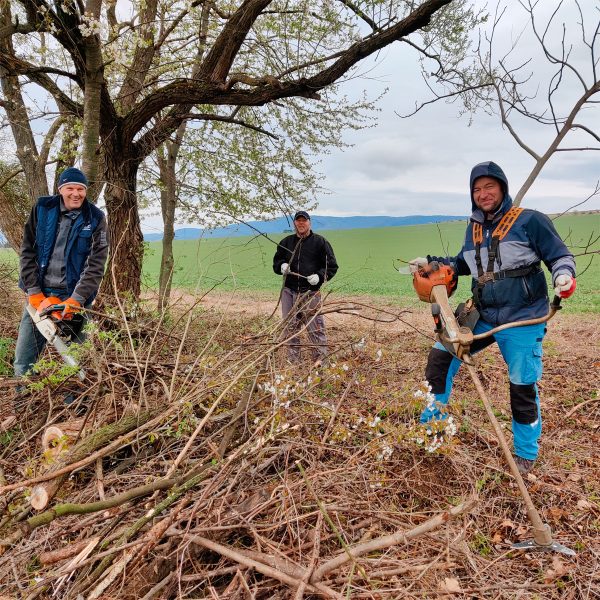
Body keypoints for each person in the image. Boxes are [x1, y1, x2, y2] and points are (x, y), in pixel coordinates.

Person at [411, 161, 576, 474]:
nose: (483, 194)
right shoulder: (473, 228)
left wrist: (564, 276)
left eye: (489, 187)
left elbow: (560, 256)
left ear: (502, 187)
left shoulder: (531, 221)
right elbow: (463, 263)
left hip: (523, 317)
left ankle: (525, 453)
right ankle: (431, 429)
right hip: (483, 314)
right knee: (441, 357)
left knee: (522, 384)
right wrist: (433, 263)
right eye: (477, 189)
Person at [13, 167, 109, 380]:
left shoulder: (95, 218)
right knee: (24, 359)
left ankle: (75, 407)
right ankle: (23, 404)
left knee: (76, 358)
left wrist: (77, 300)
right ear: (60, 189)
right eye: (70, 188)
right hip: (41, 294)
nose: (76, 194)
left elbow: (96, 264)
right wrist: (34, 291)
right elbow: (27, 251)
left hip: (75, 295)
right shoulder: (42, 208)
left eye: (80, 189)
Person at [273, 210, 338, 363]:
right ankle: (293, 362)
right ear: (294, 223)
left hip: (310, 293)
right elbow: (276, 263)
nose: (301, 223)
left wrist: (320, 276)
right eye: (298, 221)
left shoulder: (320, 242)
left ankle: (321, 362)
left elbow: (332, 266)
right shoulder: (286, 242)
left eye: (304, 220)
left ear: (309, 223)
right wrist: (281, 266)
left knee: (315, 327)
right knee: (290, 328)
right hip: (289, 292)